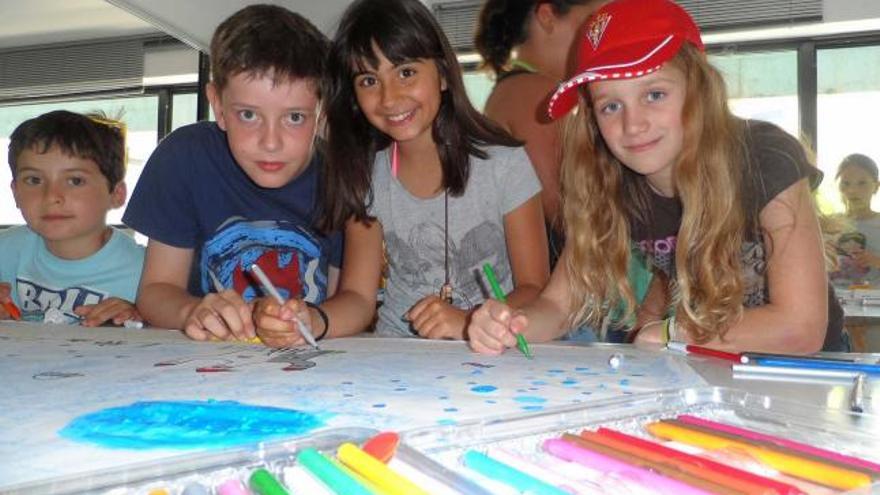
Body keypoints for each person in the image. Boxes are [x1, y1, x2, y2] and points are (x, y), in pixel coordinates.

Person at [468, 0, 846, 354]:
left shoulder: (764, 155)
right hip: (708, 368)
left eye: (654, 95)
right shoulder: (612, 183)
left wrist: (671, 332)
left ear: (699, 89)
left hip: (811, 373)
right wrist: (513, 324)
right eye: (611, 105)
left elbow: (801, 326)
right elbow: (557, 303)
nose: (633, 125)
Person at [124, 5, 374, 347]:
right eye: (248, 115)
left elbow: (354, 301)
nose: (270, 143)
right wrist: (191, 312)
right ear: (218, 106)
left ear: (321, 112)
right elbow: (156, 291)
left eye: (295, 118)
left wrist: (315, 320)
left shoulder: (344, 176)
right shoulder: (184, 158)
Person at [318, 0, 550, 340]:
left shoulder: (504, 164)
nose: (389, 98)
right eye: (368, 80)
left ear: (442, 74)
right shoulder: (365, 173)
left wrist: (470, 322)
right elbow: (358, 297)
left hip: (494, 352)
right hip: (401, 357)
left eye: (406, 72)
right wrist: (311, 320)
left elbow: (534, 287)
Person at [475, 0, 602, 266]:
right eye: (593, 22)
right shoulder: (533, 93)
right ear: (547, 16)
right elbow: (563, 209)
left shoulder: (515, 89)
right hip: (556, 278)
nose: (600, 35)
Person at [1, 110, 144, 326]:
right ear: (15, 193)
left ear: (116, 194)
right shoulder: (5, 250)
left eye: (75, 181)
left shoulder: (148, 273)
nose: (51, 197)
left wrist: (142, 317)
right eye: (33, 180)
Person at [832, 153, 880, 286]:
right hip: (834, 301)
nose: (852, 190)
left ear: (876, 186)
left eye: (862, 183)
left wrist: (876, 261)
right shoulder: (829, 224)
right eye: (845, 183)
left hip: (874, 303)